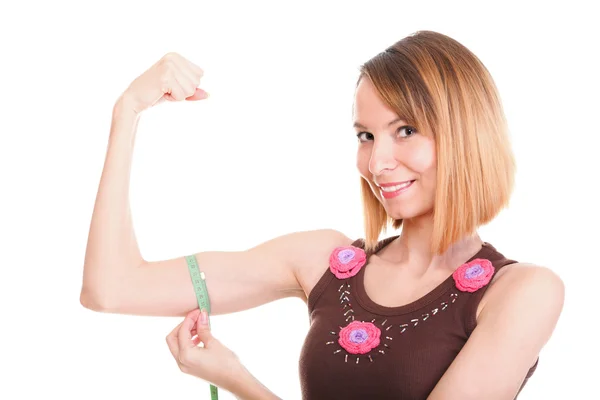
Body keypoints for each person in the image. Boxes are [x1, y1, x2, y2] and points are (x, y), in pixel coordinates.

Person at [80, 30, 564, 399]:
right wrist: (127, 113)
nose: (376, 163)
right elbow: (111, 288)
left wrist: (238, 381)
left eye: (406, 130)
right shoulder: (321, 260)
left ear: (467, 135)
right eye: (365, 136)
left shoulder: (522, 292)